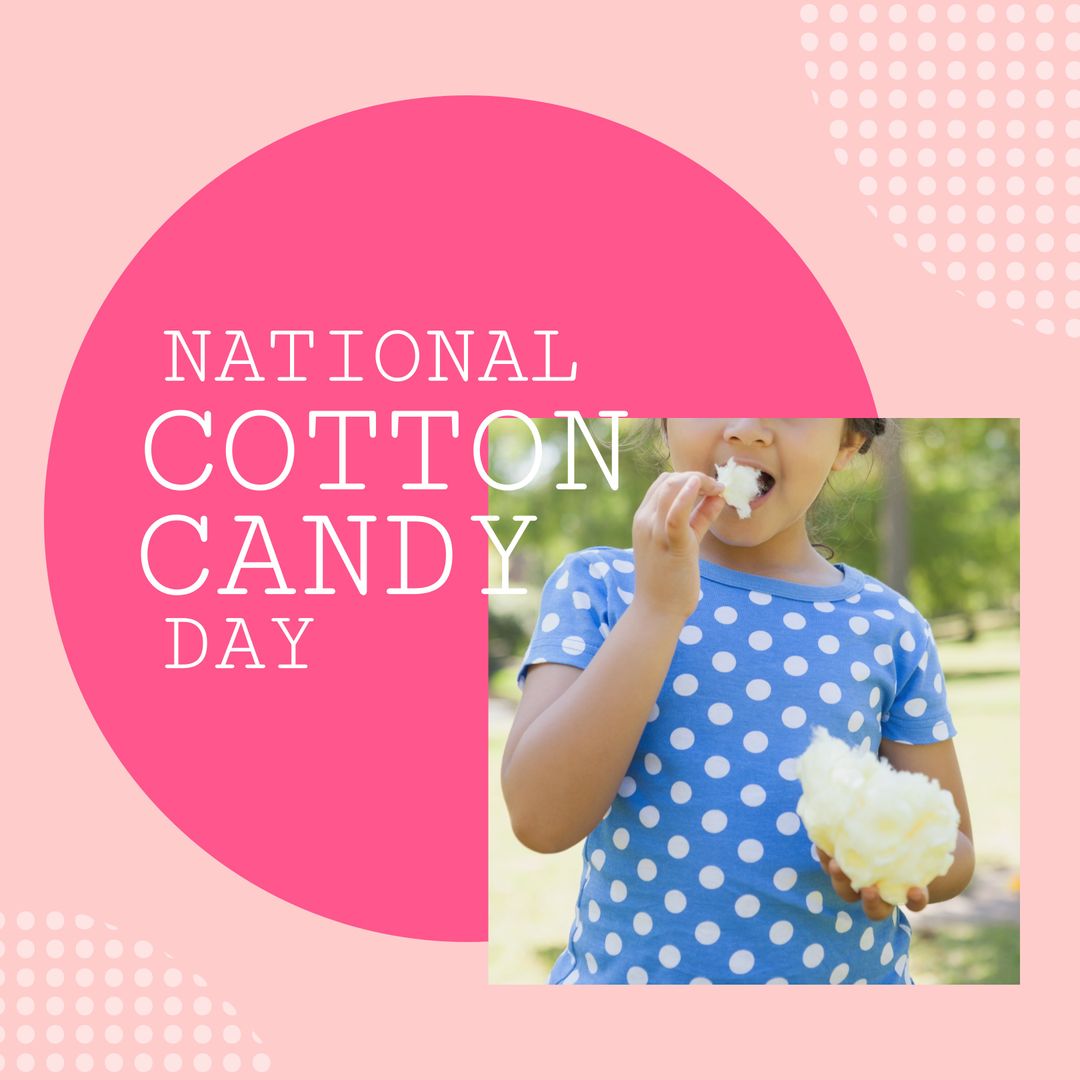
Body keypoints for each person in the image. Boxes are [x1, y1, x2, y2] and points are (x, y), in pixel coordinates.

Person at [501, 418, 975, 985]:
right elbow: (540, 819)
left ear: (848, 441)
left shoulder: (890, 628)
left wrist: (895, 859)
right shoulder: (600, 586)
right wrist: (656, 610)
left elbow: (958, 851)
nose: (749, 429)